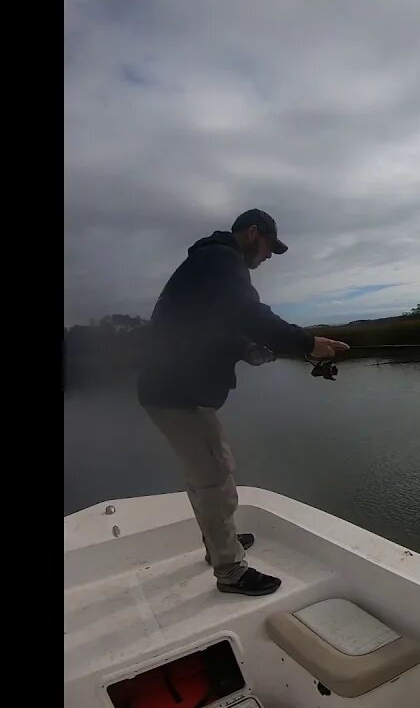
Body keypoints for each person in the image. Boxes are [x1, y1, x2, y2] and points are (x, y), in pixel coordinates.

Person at [137, 208, 349, 596]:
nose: (269, 257)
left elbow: (204, 326)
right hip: (177, 393)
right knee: (215, 475)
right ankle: (229, 568)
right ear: (253, 234)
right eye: (270, 247)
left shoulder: (208, 262)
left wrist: (246, 349)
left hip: (169, 388)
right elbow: (248, 312)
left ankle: (218, 543)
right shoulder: (221, 259)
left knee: (203, 473)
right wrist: (308, 342)